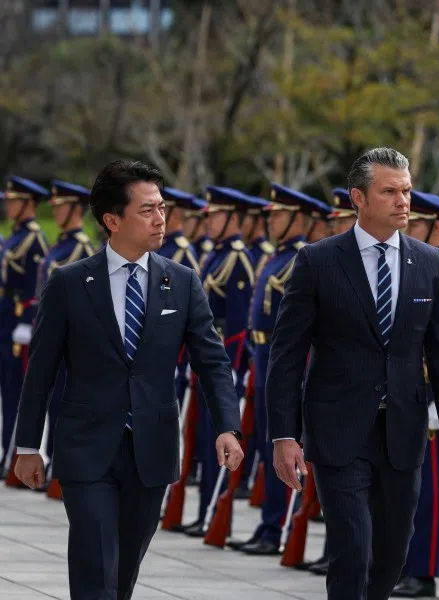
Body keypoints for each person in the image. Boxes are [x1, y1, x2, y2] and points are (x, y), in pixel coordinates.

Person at [12, 160, 244, 600]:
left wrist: (228, 427)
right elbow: (41, 371)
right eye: (147, 210)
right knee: (95, 564)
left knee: (122, 573)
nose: (161, 219)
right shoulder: (70, 283)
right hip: (86, 449)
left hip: (150, 450)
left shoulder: (183, 281)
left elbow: (211, 362)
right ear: (112, 220)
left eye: (162, 208)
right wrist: (27, 447)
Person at [265, 147, 439, 600]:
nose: (403, 201)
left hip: (402, 429)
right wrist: (284, 435)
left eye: (407, 191)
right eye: (390, 192)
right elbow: (286, 355)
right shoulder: (317, 262)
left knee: (390, 555)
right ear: (357, 198)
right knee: (352, 548)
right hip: (339, 429)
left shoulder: (430, 264)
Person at [230, 184, 333, 556]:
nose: (270, 219)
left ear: (297, 218)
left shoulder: (303, 259)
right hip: (262, 356)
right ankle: (269, 525)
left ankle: (282, 528)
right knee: (266, 442)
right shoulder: (274, 259)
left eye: (278, 213)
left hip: (288, 362)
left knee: (288, 445)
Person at [392, 189, 439, 598]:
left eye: (416, 221)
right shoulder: (418, 263)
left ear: (436, 226)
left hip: (428, 396)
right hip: (406, 392)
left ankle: (423, 571)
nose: (407, 226)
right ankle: (405, 564)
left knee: (428, 490)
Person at [179, 185, 257, 536]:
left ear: (233, 218)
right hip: (203, 362)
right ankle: (203, 510)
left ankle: (214, 512)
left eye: (216, 215)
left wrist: (235, 372)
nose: (208, 221)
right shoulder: (216, 255)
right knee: (200, 435)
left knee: (218, 439)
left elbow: (240, 328)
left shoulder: (237, 260)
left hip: (222, 365)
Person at [33, 180, 97, 491]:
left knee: (63, 403)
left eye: (61, 207)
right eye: (54, 207)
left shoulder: (81, 248)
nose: (55, 212)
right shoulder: (60, 245)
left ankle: (63, 468)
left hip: (69, 340)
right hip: (48, 335)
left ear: (75, 209)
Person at [0, 176, 49, 473]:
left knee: (16, 393)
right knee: (5, 393)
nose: (9, 206)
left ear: (29, 204)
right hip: (4, 323)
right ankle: (6, 451)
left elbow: (36, 288)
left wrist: (27, 322)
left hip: (18, 327)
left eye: (14, 201)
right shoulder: (15, 236)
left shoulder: (34, 239)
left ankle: (14, 457)